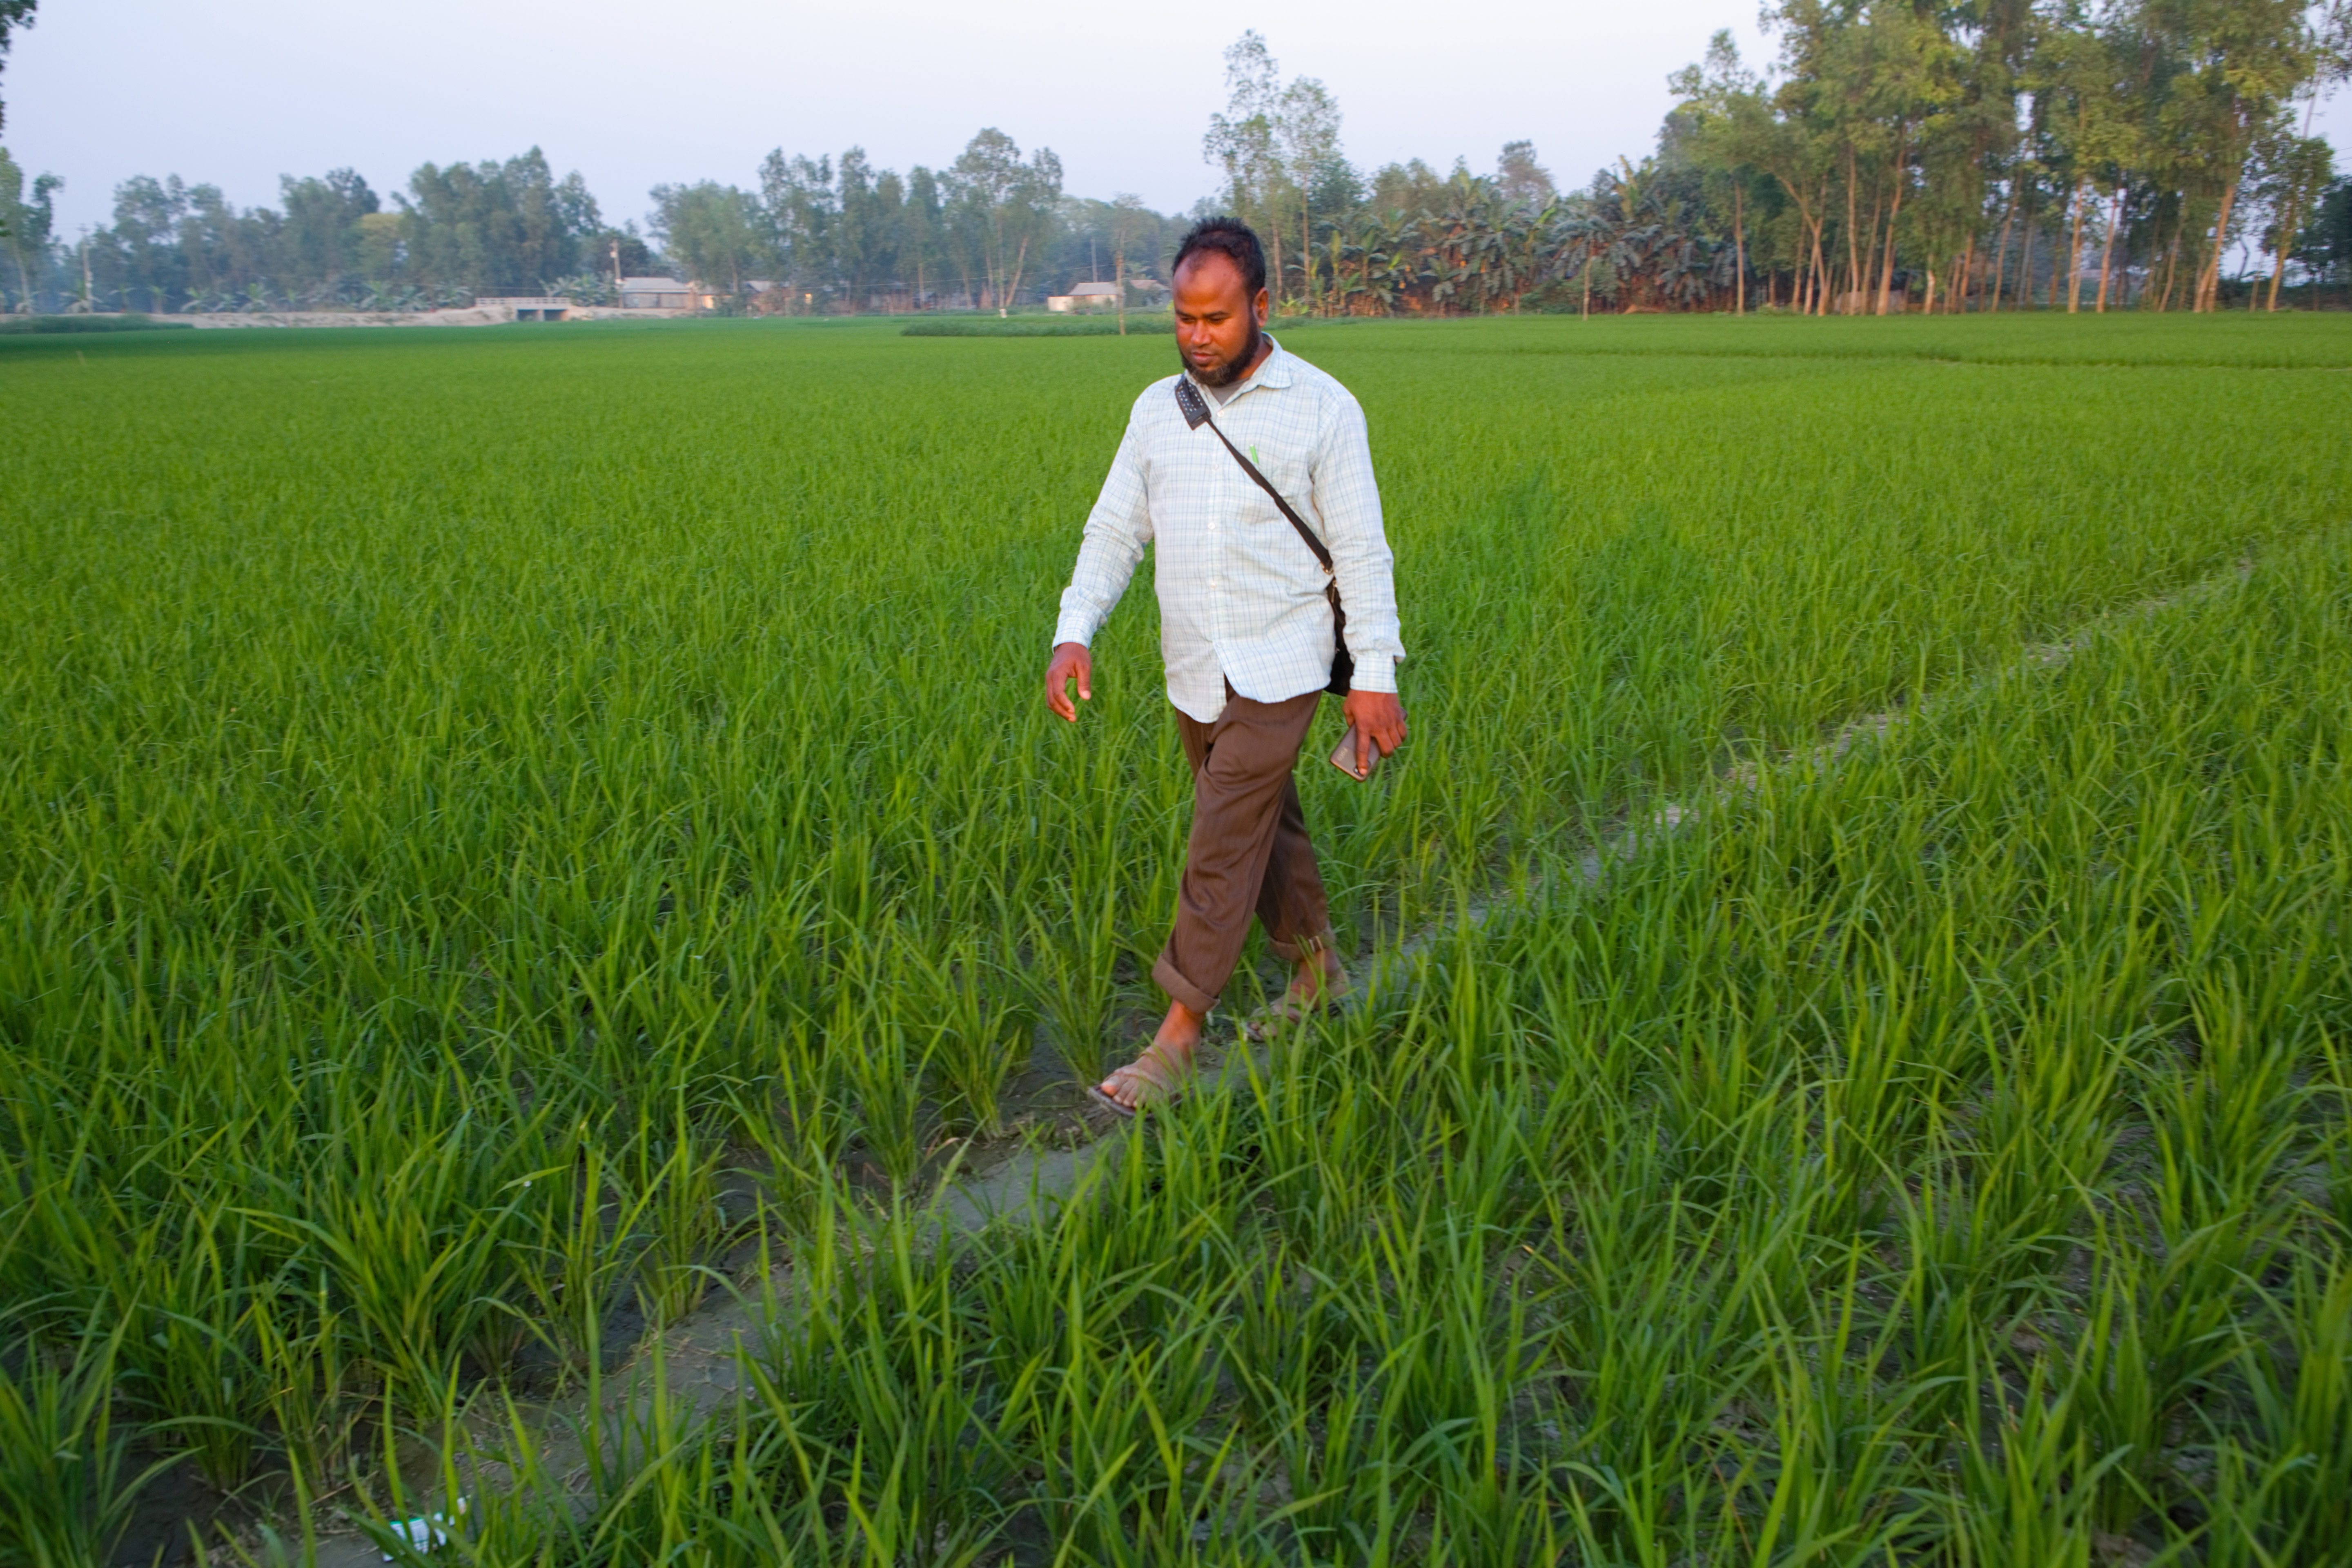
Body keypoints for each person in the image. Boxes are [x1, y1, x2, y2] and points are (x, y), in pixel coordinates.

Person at [1044, 216, 1408, 1114]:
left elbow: (1363, 553)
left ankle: (1178, 1033)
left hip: (1281, 662)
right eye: (1183, 318)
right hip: (1194, 666)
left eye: (1217, 317)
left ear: (1260, 306)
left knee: (1221, 835)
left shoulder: (1324, 407)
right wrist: (1074, 628)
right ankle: (1319, 975)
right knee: (1263, 828)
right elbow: (1115, 527)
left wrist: (1375, 676)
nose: (1198, 335)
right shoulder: (1155, 412)